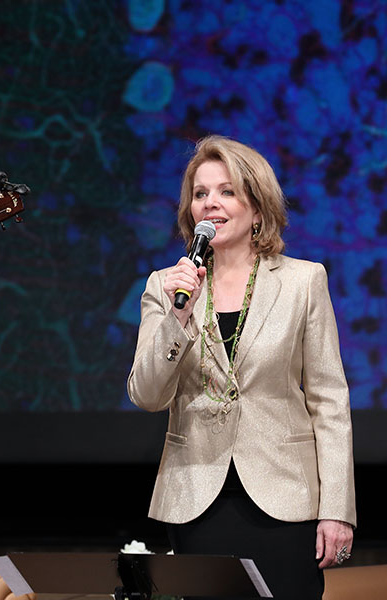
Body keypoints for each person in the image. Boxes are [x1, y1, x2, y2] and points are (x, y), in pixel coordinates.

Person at [127, 135, 356, 599]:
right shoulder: (165, 287)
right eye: (200, 193)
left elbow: (330, 402)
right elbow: (147, 395)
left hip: (285, 496)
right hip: (196, 496)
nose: (211, 203)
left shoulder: (303, 281)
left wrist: (338, 507)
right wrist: (178, 317)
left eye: (227, 191)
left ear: (257, 205)